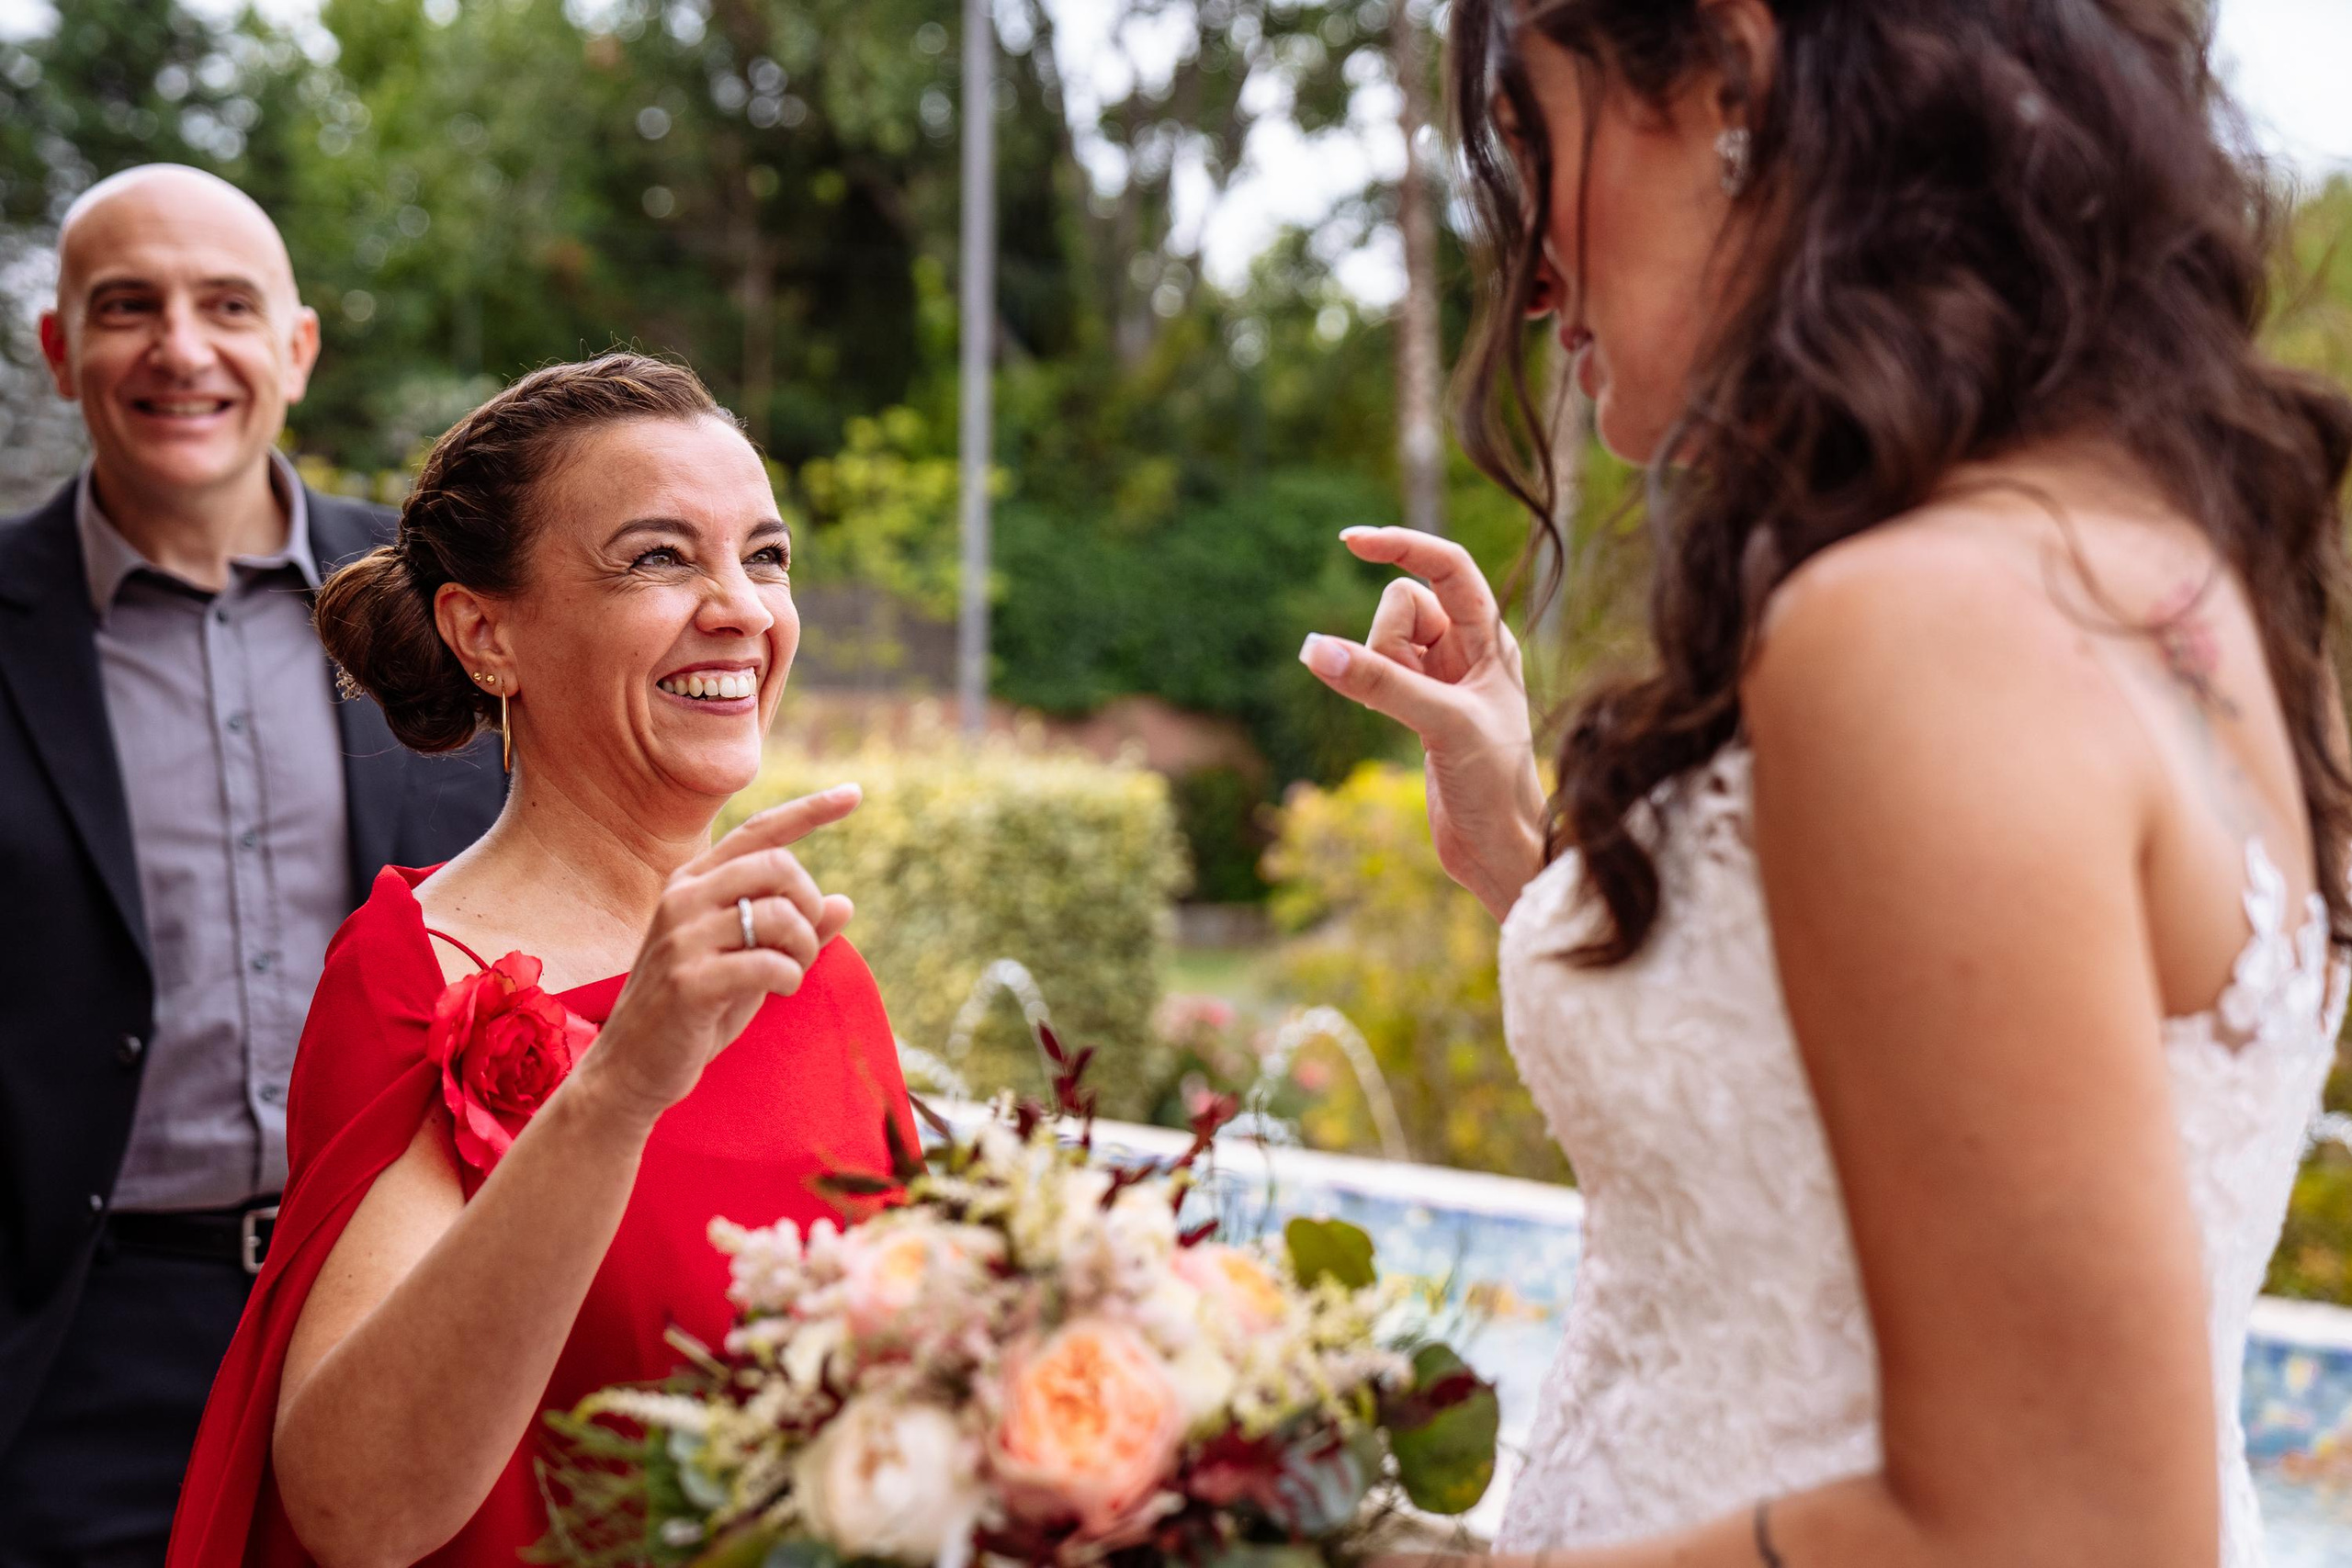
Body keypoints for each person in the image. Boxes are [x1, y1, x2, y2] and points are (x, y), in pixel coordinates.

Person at [1303, 3, 2349, 1566]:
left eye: (1531, 134)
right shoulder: (2179, 571)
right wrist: (1527, 854)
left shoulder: (1925, 626)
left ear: (1730, 72)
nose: (1522, 274)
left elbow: (2052, 1525)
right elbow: (1890, 1076)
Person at [166, 351, 916, 1568]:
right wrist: (616, 1086)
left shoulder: (815, 968)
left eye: (766, 555)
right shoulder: (410, 975)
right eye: (660, 558)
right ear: (484, 632)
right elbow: (357, 1514)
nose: (741, 607)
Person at [0, 164, 504, 1566]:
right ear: (58, 353)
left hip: (412, 1294)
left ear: (296, 347)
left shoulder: (455, 610)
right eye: (125, 308)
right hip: (77, 1356)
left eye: (227, 304)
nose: (180, 347)